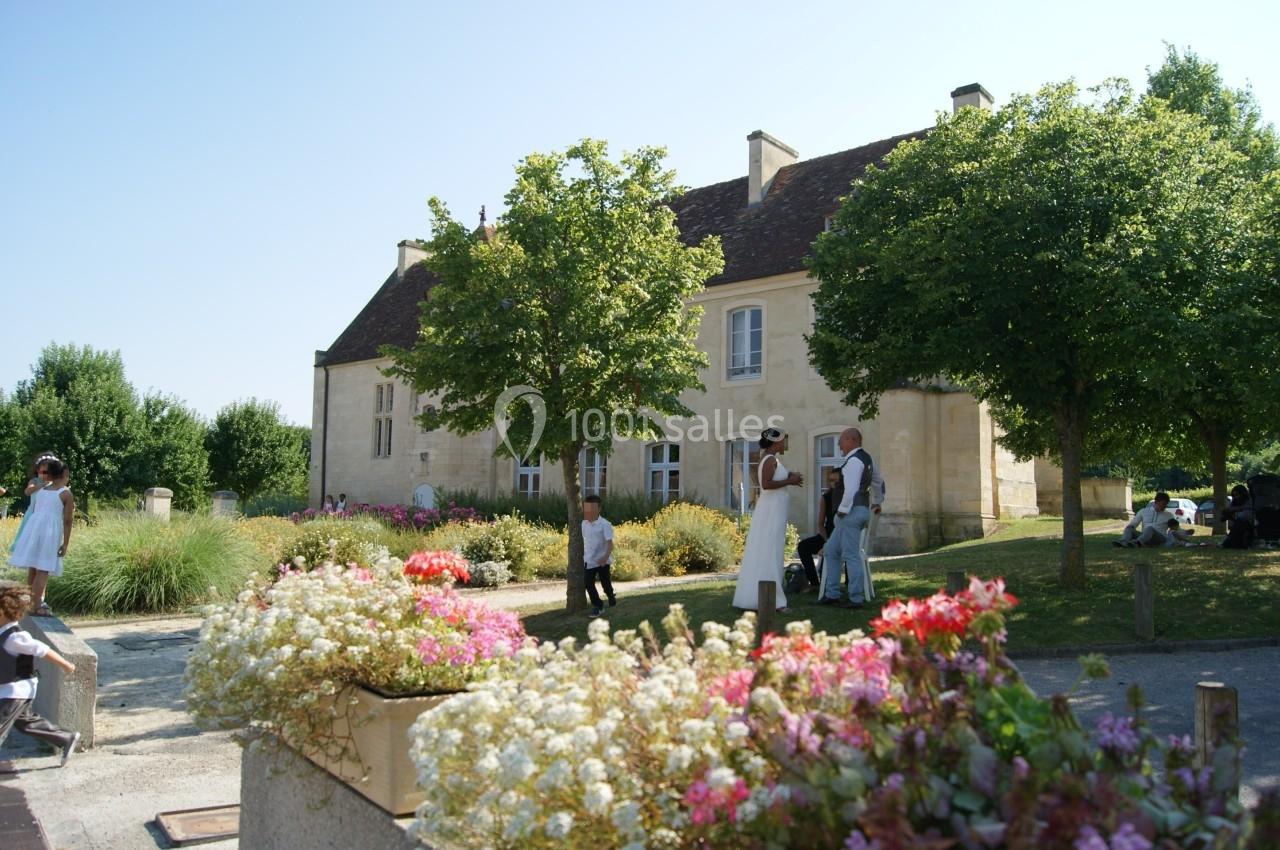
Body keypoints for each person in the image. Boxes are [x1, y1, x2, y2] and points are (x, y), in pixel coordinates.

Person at [0, 580, 81, 765]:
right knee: (26, 723)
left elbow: (42, 649)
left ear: (3, 612)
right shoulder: (3, 632)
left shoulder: (15, 637)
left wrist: (66, 665)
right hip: (8, 689)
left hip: (16, 691)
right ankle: (65, 738)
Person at [733, 427, 802, 613]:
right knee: (770, 550)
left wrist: (789, 477)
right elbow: (766, 484)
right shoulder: (769, 459)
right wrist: (790, 481)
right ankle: (775, 601)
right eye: (783, 440)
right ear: (775, 442)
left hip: (774, 510)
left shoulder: (773, 459)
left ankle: (762, 596)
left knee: (771, 550)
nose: (785, 443)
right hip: (770, 510)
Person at [7, 457, 74, 617]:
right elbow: (68, 520)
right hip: (49, 532)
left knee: (33, 566)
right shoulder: (66, 493)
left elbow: (37, 510)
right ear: (64, 474)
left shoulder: (42, 490)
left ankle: (28, 600)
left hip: (34, 528)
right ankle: (36, 604)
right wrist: (65, 543)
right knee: (43, 569)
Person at [820, 427, 878, 609]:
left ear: (852, 440)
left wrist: (842, 511)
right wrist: (878, 500)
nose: (839, 444)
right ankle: (832, 593)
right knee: (830, 550)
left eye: (842, 440)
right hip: (860, 510)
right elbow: (879, 481)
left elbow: (851, 490)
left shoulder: (853, 461)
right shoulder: (867, 458)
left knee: (851, 555)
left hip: (851, 513)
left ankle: (856, 598)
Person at [796, 468, 842, 592]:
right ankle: (815, 583)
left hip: (843, 536)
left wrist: (830, 544)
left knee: (833, 550)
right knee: (803, 546)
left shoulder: (847, 497)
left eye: (837, 481)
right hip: (827, 535)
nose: (834, 483)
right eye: (831, 480)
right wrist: (827, 541)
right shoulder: (826, 498)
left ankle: (844, 583)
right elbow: (821, 524)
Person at [6, 453, 55, 555]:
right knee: (29, 543)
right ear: (38, 470)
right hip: (33, 515)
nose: (46, 475)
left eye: (49, 472)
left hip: (47, 517)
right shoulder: (35, 481)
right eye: (43, 472)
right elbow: (27, 491)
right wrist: (41, 485)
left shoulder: (54, 483)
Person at [581, 494, 616, 617]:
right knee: (588, 583)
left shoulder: (605, 524)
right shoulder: (584, 524)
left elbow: (610, 544)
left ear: (598, 509)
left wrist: (605, 557)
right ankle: (598, 605)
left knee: (605, 582)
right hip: (589, 560)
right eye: (586, 508)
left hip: (603, 560)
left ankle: (611, 595)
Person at [1220, 485, 1255, 550]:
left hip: (1247, 523)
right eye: (1234, 495)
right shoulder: (1235, 502)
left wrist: (1235, 511)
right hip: (1238, 522)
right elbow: (1229, 509)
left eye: (1237, 495)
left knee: (1240, 523)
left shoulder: (1249, 501)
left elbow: (1246, 515)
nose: (1236, 497)